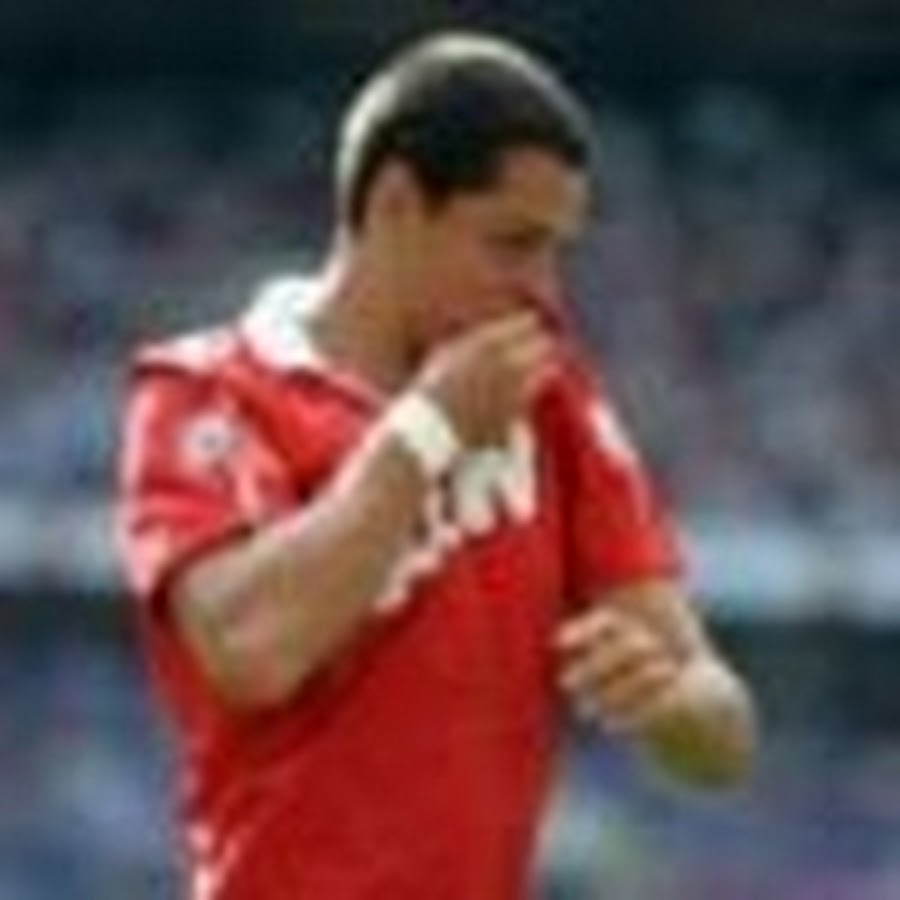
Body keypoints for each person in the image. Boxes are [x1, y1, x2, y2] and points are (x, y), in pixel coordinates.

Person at [117, 31, 757, 900]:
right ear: (395, 202)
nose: (545, 290)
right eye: (513, 243)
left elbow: (725, 739)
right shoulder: (206, 392)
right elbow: (252, 650)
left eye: (557, 250)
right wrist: (426, 432)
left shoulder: (547, 396)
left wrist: (668, 702)